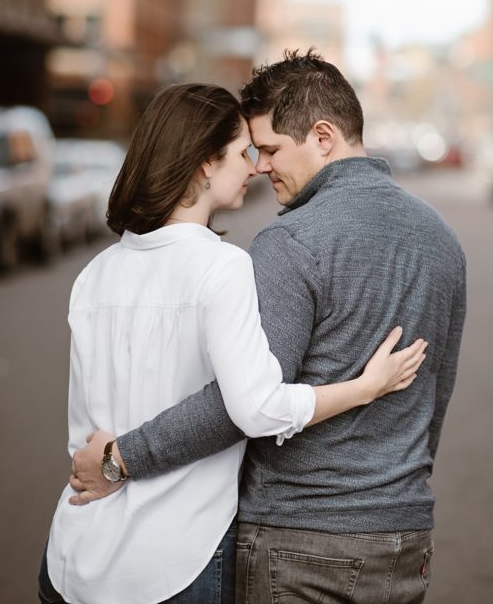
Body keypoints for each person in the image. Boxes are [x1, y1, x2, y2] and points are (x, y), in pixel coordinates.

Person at [67, 51, 466, 604]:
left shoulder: (289, 242)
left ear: (323, 137)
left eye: (272, 149)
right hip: (404, 534)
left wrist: (121, 457)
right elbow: (435, 396)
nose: (261, 165)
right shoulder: (441, 238)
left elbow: (241, 406)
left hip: (297, 537)